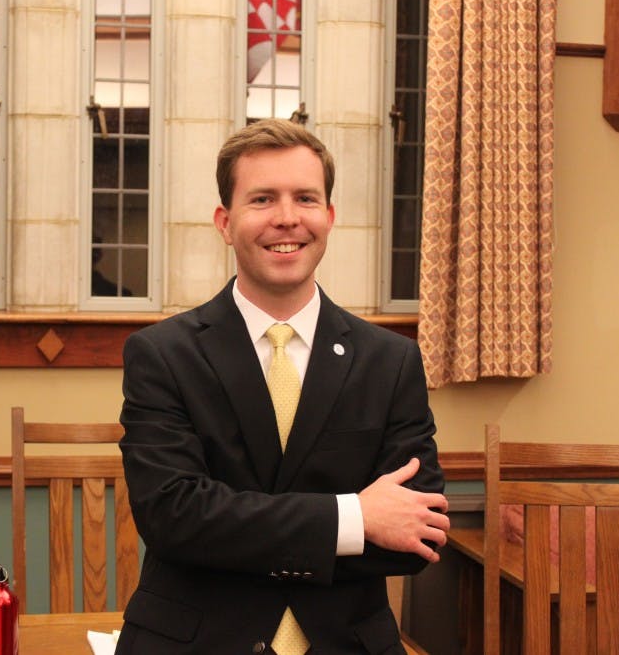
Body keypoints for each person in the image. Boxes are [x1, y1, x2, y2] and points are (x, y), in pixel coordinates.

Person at [117, 119, 448, 654]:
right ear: (226, 222)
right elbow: (173, 517)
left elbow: (417, 536)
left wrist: (238, 528)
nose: (287, 218)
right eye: (263, 199)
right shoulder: (163, 355)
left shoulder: (391, 361)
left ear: (330, 217)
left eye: (306, 198)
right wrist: (355, 517)